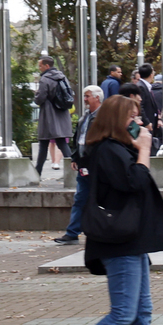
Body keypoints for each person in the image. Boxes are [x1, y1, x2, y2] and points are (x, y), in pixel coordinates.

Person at [43, 94, 163, 325]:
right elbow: (134, 184)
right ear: (116, 121)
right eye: (132, 118)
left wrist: (138, 148)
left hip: (130, 240)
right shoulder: (109, 151)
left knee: (140, 313)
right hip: (119, 242)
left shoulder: (117, 149)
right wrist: (145, 150)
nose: (139, 123)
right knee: (124, 312)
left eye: (138, 117)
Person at [53, 85, 104, 246]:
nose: (85, 99)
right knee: (80, 198)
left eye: (87, 96)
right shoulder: (85, 117)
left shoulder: (102, 117)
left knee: (97, 199)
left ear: (97, 97)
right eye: (84, 96)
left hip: (96, 166)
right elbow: (78, 139)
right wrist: (75, 158)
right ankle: (73, 232)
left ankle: (96, 231)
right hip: (84, 165)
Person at [33, 56, 75, 174]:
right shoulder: (62, 77)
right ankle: (73, 170)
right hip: (62, 113)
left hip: (49, 114)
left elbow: (40, 98)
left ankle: (37, 172)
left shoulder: (45, 79)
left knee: (43, 143)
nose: (39, 68)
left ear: (47, 66)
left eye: (40, 65)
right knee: (62, 142)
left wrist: (36, 96)